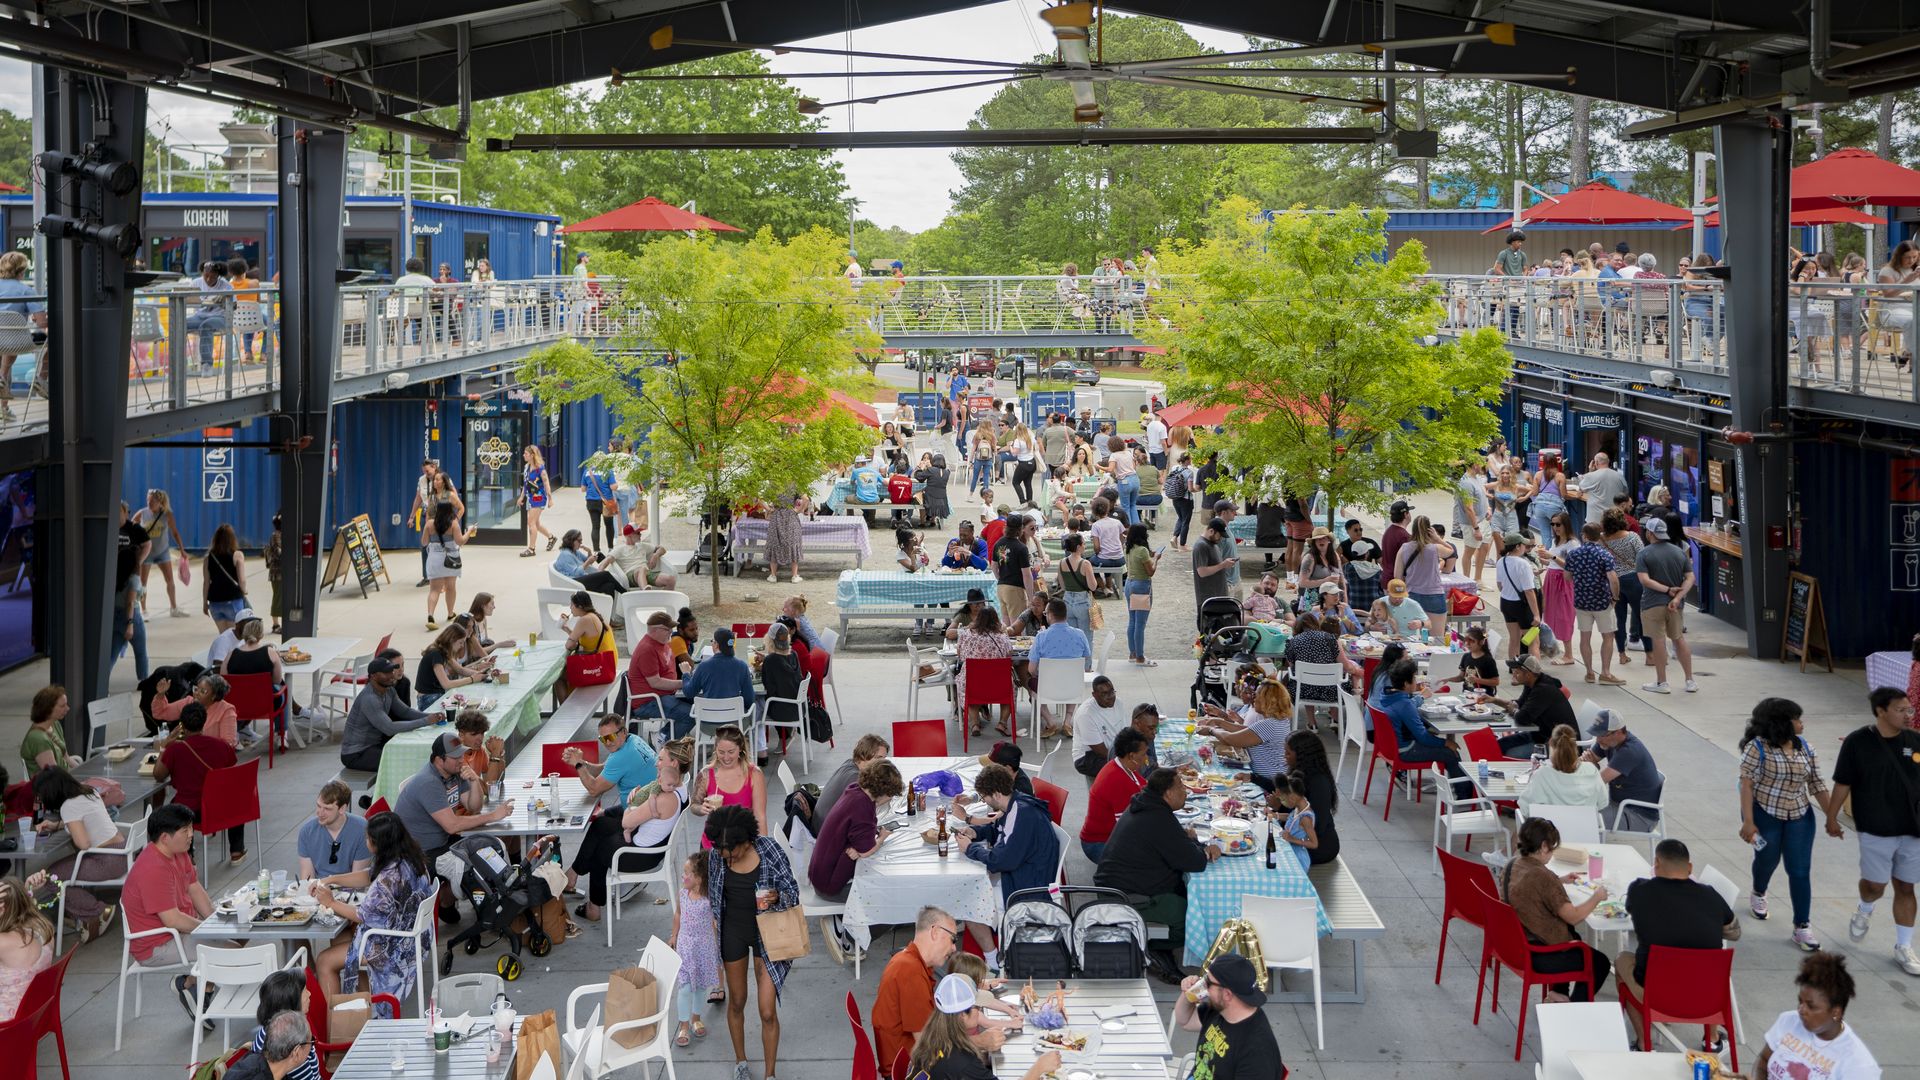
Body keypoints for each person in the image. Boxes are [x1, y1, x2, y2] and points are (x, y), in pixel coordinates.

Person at [1827, 687, 1920, 975]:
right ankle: (1865, 908)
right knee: (1875, 887)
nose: (1908, 715)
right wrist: (1832, 818)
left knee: (1906, 887)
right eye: (1901, 710)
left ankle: (1903, 947)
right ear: (1881, 711)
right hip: (1876, 829)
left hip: (1913, 829)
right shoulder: (1858, 742)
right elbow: (1843, 783)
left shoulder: (1916, 741)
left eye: (1910, 709)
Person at [1095, 768, 1220, 980]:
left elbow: (1173, 845)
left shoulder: (1145, 805)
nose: (1186, 792)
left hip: (1120, 885)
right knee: (1193, 919)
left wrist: (1188, 841)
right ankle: (1147, 945)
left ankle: (1154, 940)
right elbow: (1195, 862)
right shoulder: (1158, 818)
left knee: (1185, 897)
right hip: (1126, 897)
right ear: (1168, 794)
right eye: (1181, 787)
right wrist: (1205, 849)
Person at [703, 803, 799, 1080]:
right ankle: (741, 1063)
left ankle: (770, 1074)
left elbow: (792, 891)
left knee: (767, 1011)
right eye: (721, 851)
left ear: (746, 841)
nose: (725, 857)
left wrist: (778, 897)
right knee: (737, 1002)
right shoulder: (717, 855)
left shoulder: (769, 849)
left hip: (768, 933)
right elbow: (714, 894)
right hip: (733, 930)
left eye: (730, 851)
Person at [1616, 838, 1741, 1044]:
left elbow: (1632, 910)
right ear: (1690, 867)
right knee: (1706, 961)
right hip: (1707, 995)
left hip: (1657, 995)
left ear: (1656, 864)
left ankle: (1643, 1041)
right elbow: (1734, 932)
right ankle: (1712, 1038)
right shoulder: (1710, 895)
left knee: (1622, 959)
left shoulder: (1639, 890)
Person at [311, 812, 435, 1001]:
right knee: (340, 939)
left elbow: (361, 915)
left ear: (379, 844)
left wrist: (330, 902)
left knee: (324, 961)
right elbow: (369, 875)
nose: (366, 841)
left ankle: (334, 1025)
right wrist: (330, 879)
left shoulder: (388, 879)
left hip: (395, 947)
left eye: (368, 838)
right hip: (416, 937)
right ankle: (363, 1006)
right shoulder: (410, 859)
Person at [1737, 698, 1830, 950]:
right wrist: (1748, 821)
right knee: (1767, 859)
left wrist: (1831, 816)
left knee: (1799, 871)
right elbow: (1746, 783)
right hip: (1765, 813)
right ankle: (1758, 891)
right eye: (1797, 718)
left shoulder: (1806, 749)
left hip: (1800, 816)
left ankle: (1802, 927)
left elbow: (1817, 785)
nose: (1802, 723)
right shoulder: (1758, 748)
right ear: (1782, 723)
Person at [566, 736, 691, 923]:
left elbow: (627, 822)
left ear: (673, 763)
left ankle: (593, 906)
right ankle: (573, 874)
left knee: (600, 849)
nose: (656, 763)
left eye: (661, 759)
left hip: (642, 855)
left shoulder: (665, 798)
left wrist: (633, 803)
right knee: (600, 825)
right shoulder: (679, 786)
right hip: (651, 842)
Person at [1499, 817, 1612, 1001]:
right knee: (1599, 962)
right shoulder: (1543, 876)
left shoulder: (1512, 864)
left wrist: (1560, 880)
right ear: (1544, 846)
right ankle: (1574, 1010)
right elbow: (1573, 917)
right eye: (1552, 848)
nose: (1551, 853)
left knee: (1569, 934)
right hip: (1540, 955)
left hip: (1514, 947)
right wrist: (1597, 897)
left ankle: (1559, 994)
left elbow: (1524, 889)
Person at [122, 804, 216, 1017]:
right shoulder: (153, 868)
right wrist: (210, 929)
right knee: (227, 949)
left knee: (238, 934)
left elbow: (194, 888)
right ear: (165, 837)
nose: (191, 834)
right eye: (185, 831)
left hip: (178, 930)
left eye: (190, 828)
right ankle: (192, 986)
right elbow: (172, 920)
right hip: (157, 944)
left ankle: (198, 988)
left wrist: (216, 919)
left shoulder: (178, 851)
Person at [875, 907, 976, 1078]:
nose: (953, 948)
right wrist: (978, 1043)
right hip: (912, 1070)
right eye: (953, 939)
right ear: (935, 932)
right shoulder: (909, 970)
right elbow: (928, 1044)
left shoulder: (909, 961)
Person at [809, 758, 904, 935]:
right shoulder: (863, 807)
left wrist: (859, 848)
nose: (889, 800)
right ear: (883, 791)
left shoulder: (854, 790)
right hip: (829, 886)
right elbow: (866, 849)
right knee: (891, 899)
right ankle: (847, 939)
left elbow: (857, 837)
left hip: (820, 872)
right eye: (890, 795)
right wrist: (882, 837)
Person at [394, 732, 515, 865]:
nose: (461, 760)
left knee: (491, 846)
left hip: (443, 842)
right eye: (456, 757)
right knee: (482, 862)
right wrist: (492, 816)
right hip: (420, 855)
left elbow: (474, 807)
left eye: (461, 754)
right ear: (439, 760)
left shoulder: (453, 772)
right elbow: (452, 826)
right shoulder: (429, 783)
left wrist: (475, 780)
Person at [27, 767, 119, 940]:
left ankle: (97, 912)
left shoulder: (68, 806)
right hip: (121, 851)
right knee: (61, 870)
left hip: (105, 861)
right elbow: (85, 817)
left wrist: (69, 826)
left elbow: (83, 844)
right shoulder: (88, 791)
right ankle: (81, 913)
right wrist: (59, 825)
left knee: (52, 877)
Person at [1755, 954, 1881, 1080]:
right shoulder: (1788, 1020)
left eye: (1811, 1006)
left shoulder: (1858, 1065)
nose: (1801, 1010)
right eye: (1800, 1001)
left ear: (1836, 1012)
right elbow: (1763, 1061)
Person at [956, 762, 1059, 904]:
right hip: (1024, 873)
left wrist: (970, 848)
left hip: (1026, 891)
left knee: (969, 899)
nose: (984, 801)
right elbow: (1000, 830)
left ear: (997, 795)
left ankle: (993, 924)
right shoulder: (1015, 802)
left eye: (984, 796)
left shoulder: (1023, 815)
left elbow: (999, 861)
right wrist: (975, 832)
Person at [152, 703, 244, 863]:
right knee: (233, 799)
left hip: (190, 812)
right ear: (204, 721)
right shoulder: (222, 745)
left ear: (182, 725)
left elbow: (158, 775)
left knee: (175, 809)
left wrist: (164, 746)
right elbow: (231, 770)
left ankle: (188, 856)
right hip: (221, 808)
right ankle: (236, 850)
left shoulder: (175, 750)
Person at [1172, 952, 1281, 1079]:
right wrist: (1188, 994)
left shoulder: (1256, 1052)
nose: (1203, 986)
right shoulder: (1222, 1009)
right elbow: (1185, 1021)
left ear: (1227, 994)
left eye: (1208, 982)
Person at [1378, 659, 1467, 784]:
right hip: (1406, 750)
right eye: (1414, 679)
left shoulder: (1387, 695)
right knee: (1450, 753)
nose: (1416, 681)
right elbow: (1423, 737)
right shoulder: (1405, 705)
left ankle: (1456, 786)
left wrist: (1420, 697)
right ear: (1406, 683)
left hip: (1390, 747)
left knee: (1440, 743)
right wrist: (1446, 742)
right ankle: (1464, 794)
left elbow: (1406, 704)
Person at [338, 657, 435, 772]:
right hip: (356, 754)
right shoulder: (369, 699)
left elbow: (405, 712)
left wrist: (432, 716)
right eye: (386, 672)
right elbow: (389, 728)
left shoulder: (389, 690)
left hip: (374, 746)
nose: (391, 675)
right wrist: (426, 721)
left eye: (391, 671)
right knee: (404, 762)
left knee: (412, 754)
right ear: (373, 676)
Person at [1634, 516, 1696, 693]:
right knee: (1678, 639)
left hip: (1652, 603)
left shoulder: (1644, 554)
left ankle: (1662, 682)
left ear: (1650, 533)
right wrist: (1677, 597)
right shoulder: (1678, 552)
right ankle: (1690, 680)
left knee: (1658, 640)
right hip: (1675, 606)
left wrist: (1667, 590)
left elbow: (1645, 580)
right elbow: (1690, 577)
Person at [669, 852, 722, 1044]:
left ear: (699, 878)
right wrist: (674, 936)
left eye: (687, 873)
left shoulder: (709, 899)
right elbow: (677, 915)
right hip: (685, 946)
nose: (683, 877)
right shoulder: (683, 894)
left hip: (704, 947)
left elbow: (716, 920)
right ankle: (683, 1025)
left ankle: (696, 1019)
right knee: (684, 988)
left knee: (699, 987)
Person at [1199, 678, 1294, 785]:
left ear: (1266, 701)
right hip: (1268, 777)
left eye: (1256, 695)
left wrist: (1212, 730)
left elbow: (1231, 739)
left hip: (1267, 782)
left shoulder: (1269, 725)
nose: (1254, 699)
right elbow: (1247, 730)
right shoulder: (1280, 720)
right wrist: (1219, 722)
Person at [1583, 710, 1664, 831]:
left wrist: (1591, 766)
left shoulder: (1629, 751)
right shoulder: (1608, 742)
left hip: (1638, 816)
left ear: (1618, 732)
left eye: (1602, 735)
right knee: (1578, 808)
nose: (1598, 740)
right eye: (1597, 735)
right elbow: (1583, 761)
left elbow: (1596, 783)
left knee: (1583, 817)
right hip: (1617, 805)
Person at [1562, 523, 1622, 684]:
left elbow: (1567, 577)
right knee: (1608, 636)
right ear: (1599, 535)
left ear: (1584, 535)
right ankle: (1605, 673)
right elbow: (1613, 579)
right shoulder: (1605, 554)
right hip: (1602, 600)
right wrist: (1615, 597)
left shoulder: (1574, 554)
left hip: (1582, 601)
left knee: (1585, 637)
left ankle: (1589, 672)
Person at [566, 711, 659, 813]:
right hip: (651, 803)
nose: (608, 743)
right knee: (598, 814)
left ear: (624, 732)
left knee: (594, 825)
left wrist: (578, 765)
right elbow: (603, 768)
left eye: (611, 737)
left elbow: (594, 790)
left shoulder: (621, 756)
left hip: (642, 815)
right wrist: (582, 762)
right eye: (603, 739)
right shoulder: (633, 739)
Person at [1080, 727, 1150, 862]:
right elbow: (1127, 828)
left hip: (1107, 837)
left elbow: (1145, 786)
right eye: (1143, 754)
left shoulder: (1124, 766)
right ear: (1131, 755)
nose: (1146, 758)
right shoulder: (1117, 779)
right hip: (1099, 844)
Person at [692, 725, 768, 848]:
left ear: (740, 748)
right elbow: (694, 805)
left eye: (731, 752)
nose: (726, 757)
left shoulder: (754, 774)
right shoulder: (706, 774)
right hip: (712, 846)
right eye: (721, 752)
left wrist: (763, 849)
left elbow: (760, 816)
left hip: (742, 846)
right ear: (715, 749)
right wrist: (701, 809)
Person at [242, 971, 321, 1080]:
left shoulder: (270, 1031)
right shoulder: (290, 1049)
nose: (309, 994)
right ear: (291, 1004)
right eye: (304, 991)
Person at [1493, 655, 1575, 756]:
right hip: (1539, 734)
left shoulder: (1542, 690)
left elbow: (1522, 718)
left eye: (1517, 672)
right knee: (1498, 745)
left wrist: (1514, 710)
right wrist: (1493, 700)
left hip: (1558, 745)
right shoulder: (1532, 683)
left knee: (1509, 753)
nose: (1513, 674)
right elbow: (1518, 705)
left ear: (1528, 674)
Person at [1516, 724, 1607, 816]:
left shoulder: (1542, 774)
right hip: (1586, 828)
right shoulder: (1591, 770)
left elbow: (1525, 809)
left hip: (1550, 829)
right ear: (1575, 745)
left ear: (1551, 743)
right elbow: (1603, 802)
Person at [0, 872, 54, 1023]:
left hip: (8, 1025)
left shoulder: (3, 942)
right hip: (35, 1018)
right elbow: (26, 911)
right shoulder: (44, 930)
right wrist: (27, 891)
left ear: (2, 909)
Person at [956, 605, 1015, 738]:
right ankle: (1002, 723)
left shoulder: (966, 635)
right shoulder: (1002, 637)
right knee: (1011, 688)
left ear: (978, 619)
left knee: (968, 687)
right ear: (996, 620)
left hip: (973, 684)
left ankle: (975, 723)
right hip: (999, 686)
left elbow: (959, 655)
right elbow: (1009, 653)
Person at [299, 780, 372, 886]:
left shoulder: (362, 829)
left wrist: (329, 882)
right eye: (319, 806)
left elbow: (358, 880)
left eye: (327, 809)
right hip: (318, 891)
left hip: (350, 894)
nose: (320, 813)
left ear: (342, 809)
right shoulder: (307, 831)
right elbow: (307, 878)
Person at [1599, 507, 1649, 661]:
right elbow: (1642, 557)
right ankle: (1650, 654)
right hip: (1634, 580)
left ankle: (1622, 654)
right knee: (1642, 617)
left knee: (1619, 619)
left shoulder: (1601, 540)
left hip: (1613, 582)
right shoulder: (1632, 537)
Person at [1284, 731, 1341, 865]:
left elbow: (1317, 827)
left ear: (1301, 756)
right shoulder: (1299, 773)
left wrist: (1290, 838)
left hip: (1319, 847)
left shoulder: (1318, 784)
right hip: (1298, 836)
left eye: (1287, 753)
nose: (1284, 756)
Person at [1392, 516, 1451, 638]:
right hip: (1434, 595)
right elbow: (1451, 551)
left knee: (1410, 636)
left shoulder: (1404, 548)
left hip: (1412, 595)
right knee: (1437, 638)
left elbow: (1397, 576)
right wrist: (1438, 539)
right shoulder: (1434, 548)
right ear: (1429, 530)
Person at [135, 489, 189, 618]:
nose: (149, 503)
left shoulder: (167, 515)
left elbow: (175, 533)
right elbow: (131, 527)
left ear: (160, 502)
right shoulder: (142, 513)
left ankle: (174, 608)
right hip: (146, 553)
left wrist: (182, 549)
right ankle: (144, 611)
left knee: (170, 580)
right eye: (148, 500)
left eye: (152, 501)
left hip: (162, 552)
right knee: (143, 583)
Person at [1116, 521, 1161, 666]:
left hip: (1130, 583)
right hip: (1142, 585)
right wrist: (1156, 559)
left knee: (1133, 621)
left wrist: (1150, 554)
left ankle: (1133, 653)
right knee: (1140, 624)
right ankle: (1140, 657)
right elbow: (1150, 572)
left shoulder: (1128, 548)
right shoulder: (1142, 550)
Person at [1495, 533, 1543, 659]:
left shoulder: (1501, 561)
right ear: (1517, 546)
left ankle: (1515, 671)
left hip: (1506, 603)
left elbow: (1500, 585)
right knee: (1533, 642)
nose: (1525, 547)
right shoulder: (1523, 564)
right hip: (1521, 606)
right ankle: (1534, 672)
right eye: (1523, 544)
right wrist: (1537, 614)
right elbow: (1529, 591)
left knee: (1514, 640)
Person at [1069, 676, 1127, 780]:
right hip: (1087, 757)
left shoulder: (1119, 703)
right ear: (1094, 695)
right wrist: (1124, 760)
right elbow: (1100, 750)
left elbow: (1125, 733)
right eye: (1104, 694)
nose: (1110, 696)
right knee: (1125, 768)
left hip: (1113, 750)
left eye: (1111, 691)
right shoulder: (1086, 714)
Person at [183, 261, 231, 375]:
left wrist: (223, 300)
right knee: (180, 324)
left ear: (218, 276)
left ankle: (206, 364)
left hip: (220, 317)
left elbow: (234, 306)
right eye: (206, 276)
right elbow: (189, 300)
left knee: (206, 325)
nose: (209, 279)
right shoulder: (195, 283)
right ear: (202, 273)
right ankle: (180, 362)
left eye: (213, 277)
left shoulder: (226, 286)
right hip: (199, 316)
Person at [19, 684, 78, 775]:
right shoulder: (38, 739)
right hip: (52, 786)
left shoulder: (55, 724)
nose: (68, 708)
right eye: (62, 706)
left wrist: (87, 775)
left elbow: (66, 758)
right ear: (47, 709)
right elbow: (54, 776)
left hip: (65, 778)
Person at [202, 522, 249, 632]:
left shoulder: (208, 558)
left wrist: (205, 603)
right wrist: (244, 590)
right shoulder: (237, 555)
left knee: (224, 637)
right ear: (232, 539)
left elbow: (206, 583)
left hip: (215, 603)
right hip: (233, 601)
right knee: (236, 638)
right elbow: (242, 580)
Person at [553, 528, 628, 596]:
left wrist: (589, 552)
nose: (581, 543)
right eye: (579, 541)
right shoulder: (565, 554)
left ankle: (609, 610)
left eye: (581, 540)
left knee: (609, 586)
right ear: (571, 541)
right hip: (573, 582)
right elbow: (576, 572)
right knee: (605, 574)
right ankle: (625, 594)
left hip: (580, 578)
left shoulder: (575, 552)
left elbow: (587, 562)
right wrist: (588, 561)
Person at [1191, 517, 1236, 630]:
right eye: (1219, 535)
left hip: (1219, 596)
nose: (1220, 538)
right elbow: (1202, 571)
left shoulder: (1213, 544)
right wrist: (1223, 565)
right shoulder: (1201, 545)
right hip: (1208, 599)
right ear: (1211, 531)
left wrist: (1225, 564)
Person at [992, 512, 1035, 622]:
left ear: (1006, 527)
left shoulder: (998, 543)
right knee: (1017, 626)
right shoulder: (1021, 547)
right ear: (1021, 528)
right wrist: (1031, 598)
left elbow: (994, 566)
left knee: (1006, 624)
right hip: (1015, 589)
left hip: (1001, 587)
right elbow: (1027, 574)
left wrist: (1001, 578)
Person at [1455, 462, 1492, 581]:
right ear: (1475, 464)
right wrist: (1476, 528)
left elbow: (1482, 494)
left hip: (1483, 520)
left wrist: (1488, 508)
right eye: (1483, 464)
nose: (1485, 467)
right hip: (1471, 523)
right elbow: (1468, 508)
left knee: (1484, 547)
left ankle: (1478, 580)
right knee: (1469, 550)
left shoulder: (1477, 478)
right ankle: (1467, 581)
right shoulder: (1466, 483)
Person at [1054, 533, 1095, 637]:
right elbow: (1093, 586)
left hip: (1067, 601)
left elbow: (1062, 586)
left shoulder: (1062, 562)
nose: (1085, 546)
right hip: (1082, 602)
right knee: (1086, 636)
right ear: (1078, 547)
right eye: (1084, 544)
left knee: (1072, 636)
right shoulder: (1085, 563)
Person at [519, 445, 556, 556]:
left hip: (539, 498)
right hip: (530, 498)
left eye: (526, 453)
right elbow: (525, 484)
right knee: (536, 524)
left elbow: (546, 483)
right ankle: (551, 537)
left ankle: (531, 549)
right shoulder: (526, 467)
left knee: (531, 523)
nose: (524, 455)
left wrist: (550, 499)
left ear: (532, 455)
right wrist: (521, 497)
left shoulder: (540, 469)